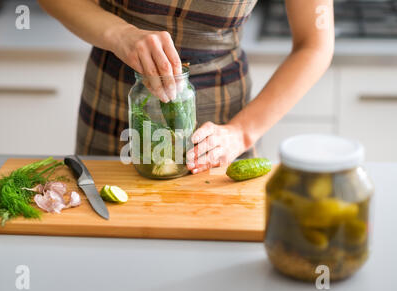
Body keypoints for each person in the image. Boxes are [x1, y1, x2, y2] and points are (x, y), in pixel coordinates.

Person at [38, 0, 334, 174]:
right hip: (113, 103)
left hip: (220, 127)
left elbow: (315, 45)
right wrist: (121, 35)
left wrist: (241, 133)